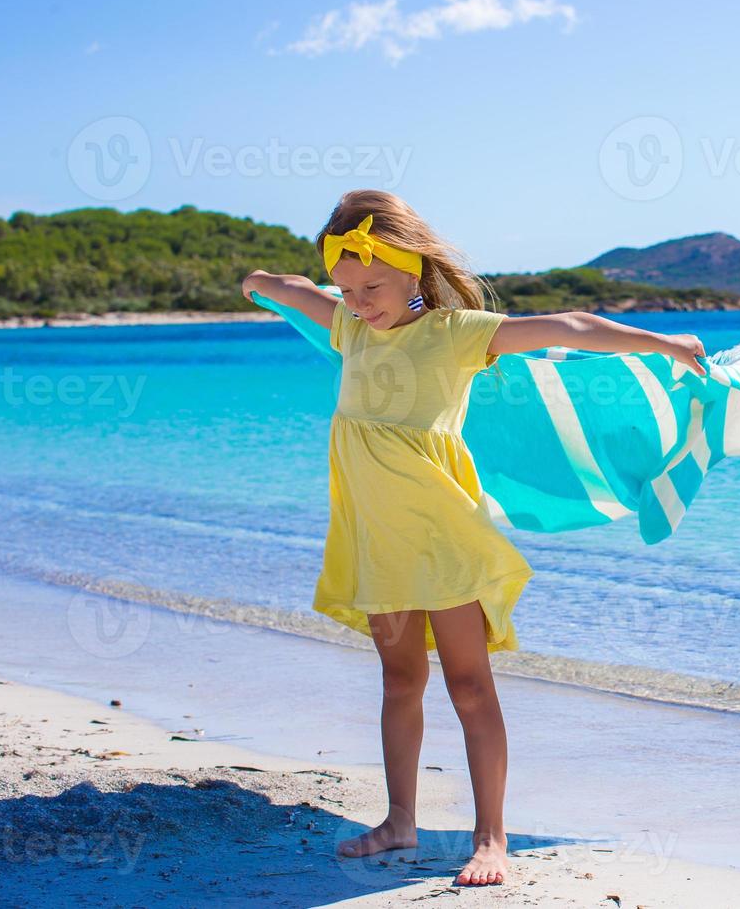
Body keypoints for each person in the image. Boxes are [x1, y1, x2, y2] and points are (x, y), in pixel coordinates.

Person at [241, 189, 706, 887]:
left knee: (467, 685)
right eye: (349, 289)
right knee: (400, 681)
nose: (360, 301)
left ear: (411, 270)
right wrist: (258, 283)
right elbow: (294, 290)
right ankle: (401, 820)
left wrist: (665, 342)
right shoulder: (351, 330)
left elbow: (571, 328)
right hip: (378, 540)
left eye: (372, 286)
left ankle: (492, 836)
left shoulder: (456, 332)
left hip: (443, 537)